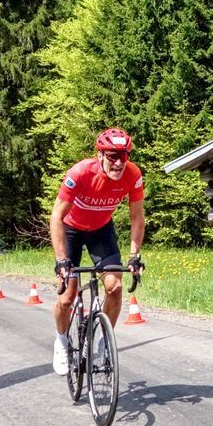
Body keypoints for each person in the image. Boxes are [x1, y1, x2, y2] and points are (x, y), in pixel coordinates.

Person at [49, 127, 146, 375]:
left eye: (123, 156)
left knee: (115, 287)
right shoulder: (81, 173)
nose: (118, 162)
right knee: (67, 296)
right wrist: (61, 261)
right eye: (112, 156)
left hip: (101, 230)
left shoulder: (133, 175)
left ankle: (103, 340)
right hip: (71, 230)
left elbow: (137, 217)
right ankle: (61, 342)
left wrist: (135, 256)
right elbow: (57, 216)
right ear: (100, 155)